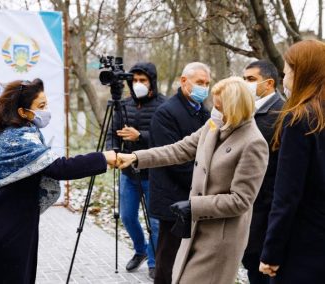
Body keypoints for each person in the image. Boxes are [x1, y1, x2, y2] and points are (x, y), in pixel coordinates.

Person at [0, 79, 116, 284]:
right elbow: (58, 168)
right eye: (41, 106)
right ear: (22, 112)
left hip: (14, 217)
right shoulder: (14, 138)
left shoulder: (25, 132)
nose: (47, 110)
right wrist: (103, 158)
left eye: (46, 104)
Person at [117, 76, 269, 284]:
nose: (214, 111)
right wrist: (137, 157)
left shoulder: (253, 143)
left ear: (234, 109)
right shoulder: (214, 125)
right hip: (195, 229)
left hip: (220, 237)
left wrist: (194, 206)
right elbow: (180, 149)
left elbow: (241, 200)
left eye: (219, 107)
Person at [259, 40, 325, 283]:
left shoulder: (300, 119)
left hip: (303, 247)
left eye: (287, 73)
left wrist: (271, 252)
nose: (285, 80)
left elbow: (286, 194)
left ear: (302, 73)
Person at [149, 62, 210, 284]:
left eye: (207, 83)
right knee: (168, 256)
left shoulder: (204, 112)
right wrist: (204, 181)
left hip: (193, 197)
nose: (204, 87)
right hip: (172, 197)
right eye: (199, 82)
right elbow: (172, 160)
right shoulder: (166, 113)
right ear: (184, 81)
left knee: (189, 256)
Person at [105, 62, 165, 279]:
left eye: (143, 80)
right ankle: (140, 250)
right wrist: (112, 152)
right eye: (135, 80)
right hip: (128, 173)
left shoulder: (163, 105)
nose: (138, 84)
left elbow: (168, 139)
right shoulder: (123, 105)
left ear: (152, 82)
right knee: (128, 217)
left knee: (155, 222)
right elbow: (113, 132)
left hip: (153, 172)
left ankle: (154, 260)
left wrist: (140, 136)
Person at [241, 60, 284, 284]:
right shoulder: (250, 110)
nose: (245, 84)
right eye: (244, 79)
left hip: (265, 209)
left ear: (269, 83)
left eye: (251, 79)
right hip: (250, 207)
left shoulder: (280, 114)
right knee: (251, 266)